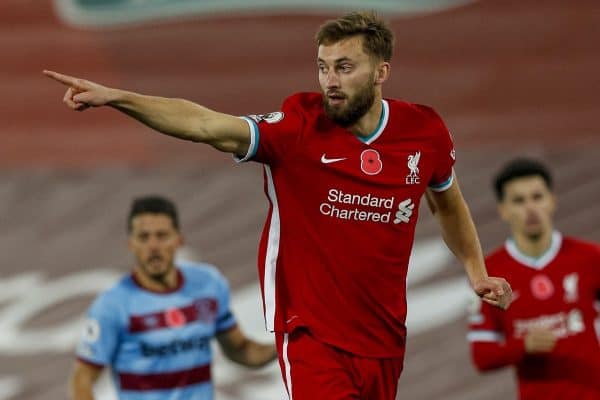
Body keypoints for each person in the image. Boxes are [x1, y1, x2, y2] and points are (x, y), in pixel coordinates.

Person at [46, 12, 512, 399]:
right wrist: (119, 97)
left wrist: (475, 269)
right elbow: (206, 125)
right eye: (323, 67)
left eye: (345, 67)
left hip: (385, 335)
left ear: (381, 71)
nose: (331, 80)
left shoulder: (424, 131)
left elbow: (446, 201)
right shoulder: (297, 126)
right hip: (311, 332)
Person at [70, 195, 277, 400]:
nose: (153, 246)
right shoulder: (112, 306)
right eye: (143, 237)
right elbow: (83, 378)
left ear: (179, 239)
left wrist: (285, 345)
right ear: (131, 244)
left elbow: (240, 350)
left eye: (161, 236)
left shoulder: (208, 285)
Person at [467, 158, 600, 399]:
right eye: (519, 200)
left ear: (552, 200)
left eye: (537, 197)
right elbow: (481, 355)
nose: (530, 208)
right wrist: (522, 346)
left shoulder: (590, 258)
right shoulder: (490, 273)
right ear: (503, 210)